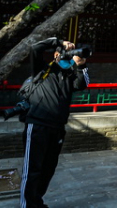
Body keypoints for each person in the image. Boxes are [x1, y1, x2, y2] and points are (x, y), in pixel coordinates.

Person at [19, 37, 89, 208]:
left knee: (47, 169)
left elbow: (82, 84)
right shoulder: (41, 69)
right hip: (37, 125)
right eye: (62, 54)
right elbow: (35, 48)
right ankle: (27, 205)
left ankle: (37, 201)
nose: (65, 58)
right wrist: (58, 41)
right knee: (32, 169)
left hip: (57, 127)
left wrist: (80, 64)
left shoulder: (70, 74)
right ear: (56, 55)